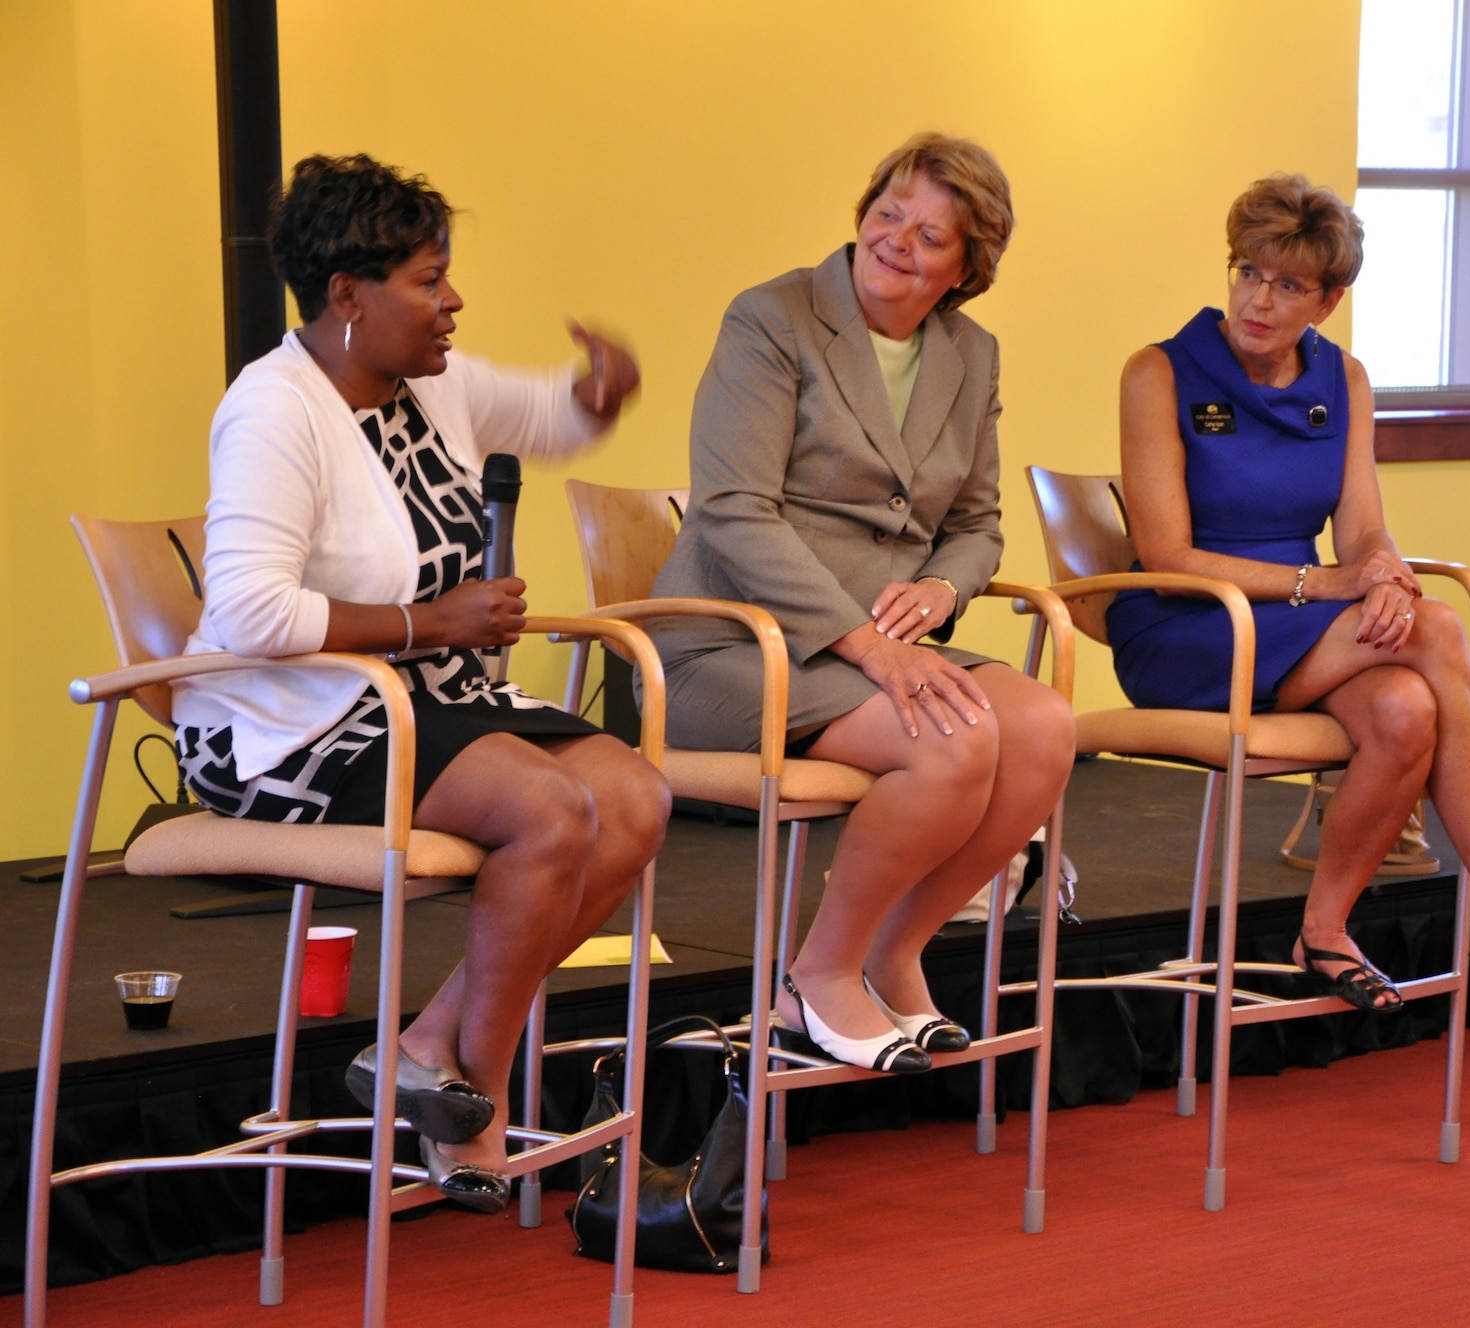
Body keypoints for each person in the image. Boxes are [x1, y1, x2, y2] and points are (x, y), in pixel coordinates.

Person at [175, 154, 669, 1211]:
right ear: (347, 296)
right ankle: (474, 1095)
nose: (453, 301)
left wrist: (593, 395)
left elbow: (548, 415)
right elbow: (254, 611)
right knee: (550, 807)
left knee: (635, 796)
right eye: (428, 280)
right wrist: (426, 622)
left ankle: (433, 1043)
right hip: (291, 722)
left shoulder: (432, 386)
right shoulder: (274, 412)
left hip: (427, 695)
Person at [1109, 174, 1470, 1012]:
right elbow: (1168, 550)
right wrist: (1334, 584)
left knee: (1405, 712)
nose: (1258, 300)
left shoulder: (1342, 378)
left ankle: (1325, 931)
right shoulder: (1159, 372)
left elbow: (1362, 529)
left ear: (1329, 298)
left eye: (1288, 286)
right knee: (1436, 630)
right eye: (1248, 272)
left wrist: (1380, 571)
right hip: (1192, 621)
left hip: (1304, 618)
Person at [648, 133, 1073, 1072]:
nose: (897, 242)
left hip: (877, 648)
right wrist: (868, 646)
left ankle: (896, 949)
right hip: (733, 644)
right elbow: (731, 508)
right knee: (954, 740)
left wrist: (943, 584)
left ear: (966, 269)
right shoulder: (773, 317)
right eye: (889, 213)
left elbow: (977, 524)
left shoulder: (971, 353)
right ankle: (819, 975)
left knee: (1043, 727)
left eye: (931, 235)